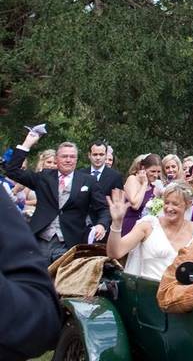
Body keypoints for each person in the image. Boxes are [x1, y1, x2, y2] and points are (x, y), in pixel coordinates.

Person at [5, 131, 108, 262]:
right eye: (64, 156)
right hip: (40, 240)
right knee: (37, 280)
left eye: (72, 156)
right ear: (57, 159)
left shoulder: (88, 181)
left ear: (76, 159)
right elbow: (12, 171)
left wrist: (101, 225)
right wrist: (27, 143)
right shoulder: (44, 177)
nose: (68, 160)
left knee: (61, 281)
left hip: (69, 242)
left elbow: (103, 209)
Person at [0, 190, 61, 361]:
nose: (68, 160)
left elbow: (40, 319)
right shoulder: (44, 178)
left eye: (72, 159)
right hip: (43, 236)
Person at [105, 181, 193, 281]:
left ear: (188, 204)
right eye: (166, 202)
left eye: (175, 204)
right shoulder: (148, 225)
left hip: (181, 293)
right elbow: (115, 253)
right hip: (148, 291)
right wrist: (117, 223)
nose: (169, 208)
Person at [121, 153, 163, 236]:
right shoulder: (132, 179)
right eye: (153, 171)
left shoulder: (155, 189)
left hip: (146, 231)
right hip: (130, 226)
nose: (156, 175)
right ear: (143, 168)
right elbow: (135, 205)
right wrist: (144, 184)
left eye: (158, 172)